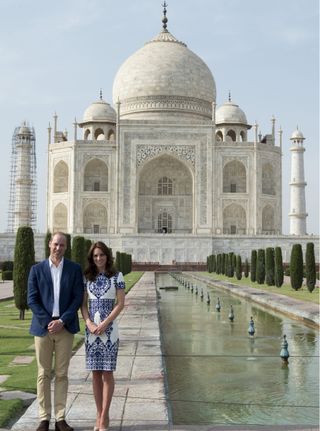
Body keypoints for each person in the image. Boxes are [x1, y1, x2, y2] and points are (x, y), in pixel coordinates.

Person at [28, 232, 84, 431]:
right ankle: (44, 418)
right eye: (55, 244)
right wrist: (48, 321)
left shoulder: (74, 269)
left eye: (62, 245)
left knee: (61, 374)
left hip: (65, 327)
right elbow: (32, 299)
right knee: (43, 373)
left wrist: (62, 320)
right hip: (43, 328)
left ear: (65, 247)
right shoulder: (36, 270)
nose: (58, 248)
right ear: (49, 244)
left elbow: (77, 298)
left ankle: (60, 418)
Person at [81, 242, 125, 431]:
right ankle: (98, 414)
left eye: (102, 255)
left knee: (107, 372)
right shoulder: (87, 277)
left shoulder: (117, 276)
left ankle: (104, 417)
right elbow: (83, 305)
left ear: (108, 256)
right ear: (92, 258)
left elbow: (120, 303)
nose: (99, 258)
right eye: (95, 256)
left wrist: (105, 323)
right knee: (95, 373)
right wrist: (89, 323)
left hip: (109, 330)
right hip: (92, 332)